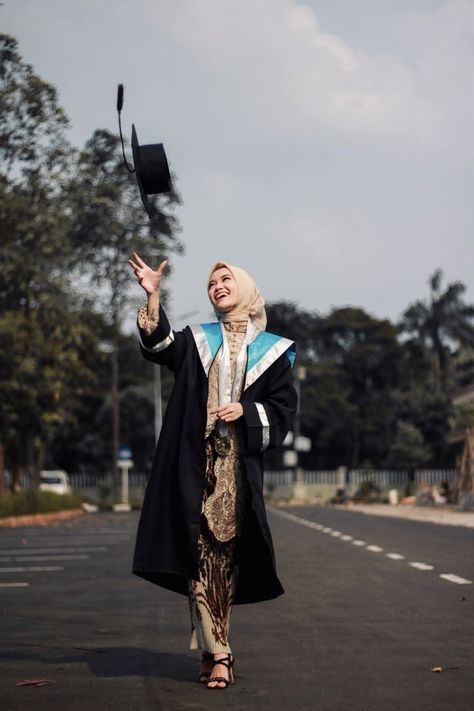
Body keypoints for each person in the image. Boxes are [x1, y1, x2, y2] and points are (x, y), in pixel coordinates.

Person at [128, 253, 297, 689]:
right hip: (193, 463)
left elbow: (282, 413)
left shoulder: (273, 352)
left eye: (225, 279)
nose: (217, 286)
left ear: (244, 286)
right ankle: (220, 653)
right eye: (211, 283)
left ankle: (211, 648)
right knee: (198, 556)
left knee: (223, 560)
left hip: (236, 469)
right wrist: (153, 295)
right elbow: (159, 346)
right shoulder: (197, 341)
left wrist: (246, 409)